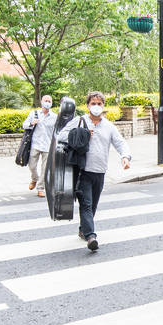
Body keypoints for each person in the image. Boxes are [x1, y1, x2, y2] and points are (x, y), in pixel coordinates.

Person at [57, 92, 131, 251]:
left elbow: (120, 142)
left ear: (103, 106)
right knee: (86, 204)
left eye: (99, 103)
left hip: (100, 171)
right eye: (93, 103)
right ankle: (91, 236)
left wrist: (125, 157)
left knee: (93, 206)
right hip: (83, 170)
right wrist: (81, 134)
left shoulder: (109, 126)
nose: (96, 106)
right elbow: (61, 135)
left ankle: (83, 230)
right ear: (87, 105)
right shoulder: (79, 121)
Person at [22, 95, 57, 198]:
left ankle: (40, 188)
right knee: (32, 165)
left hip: (48, 145)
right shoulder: (34, 113)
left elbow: (57, 131)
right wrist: (32, 123)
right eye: (45, 100)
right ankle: (34, 178)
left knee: (45, 169)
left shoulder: (54, 117)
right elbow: (24, 125)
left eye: (49, 101)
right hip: (35, 144)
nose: (47, 102)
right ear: (41, 102)